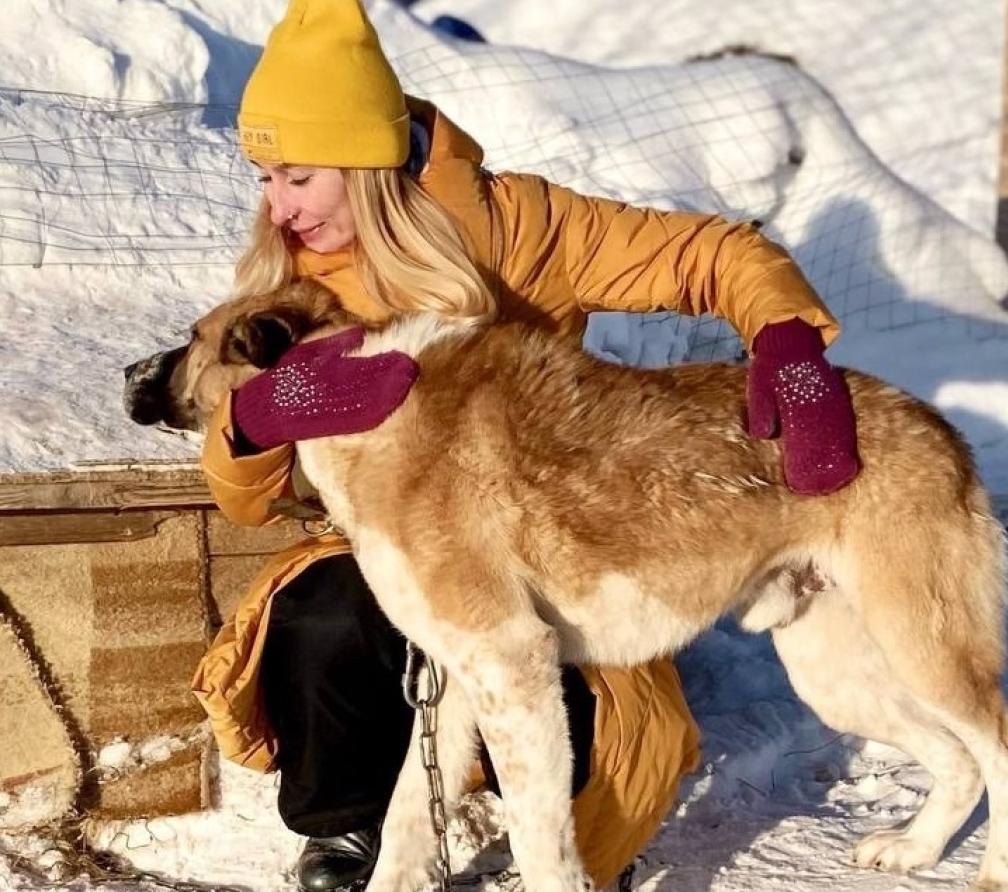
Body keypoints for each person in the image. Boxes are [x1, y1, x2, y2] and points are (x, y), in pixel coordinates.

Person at [190, 1, 861, 890]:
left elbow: (707, 253)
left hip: (555, 534)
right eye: (266, 177)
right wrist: (252, 422)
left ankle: (567, 839)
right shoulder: (286, 276)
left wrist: (785, 338)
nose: (275, 208)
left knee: (602, 717)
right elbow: (241, 499)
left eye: (297, 176)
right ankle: (349, 827)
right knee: (322, 616)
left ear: (365, 160)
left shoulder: (518, 227)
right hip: (382, 542)